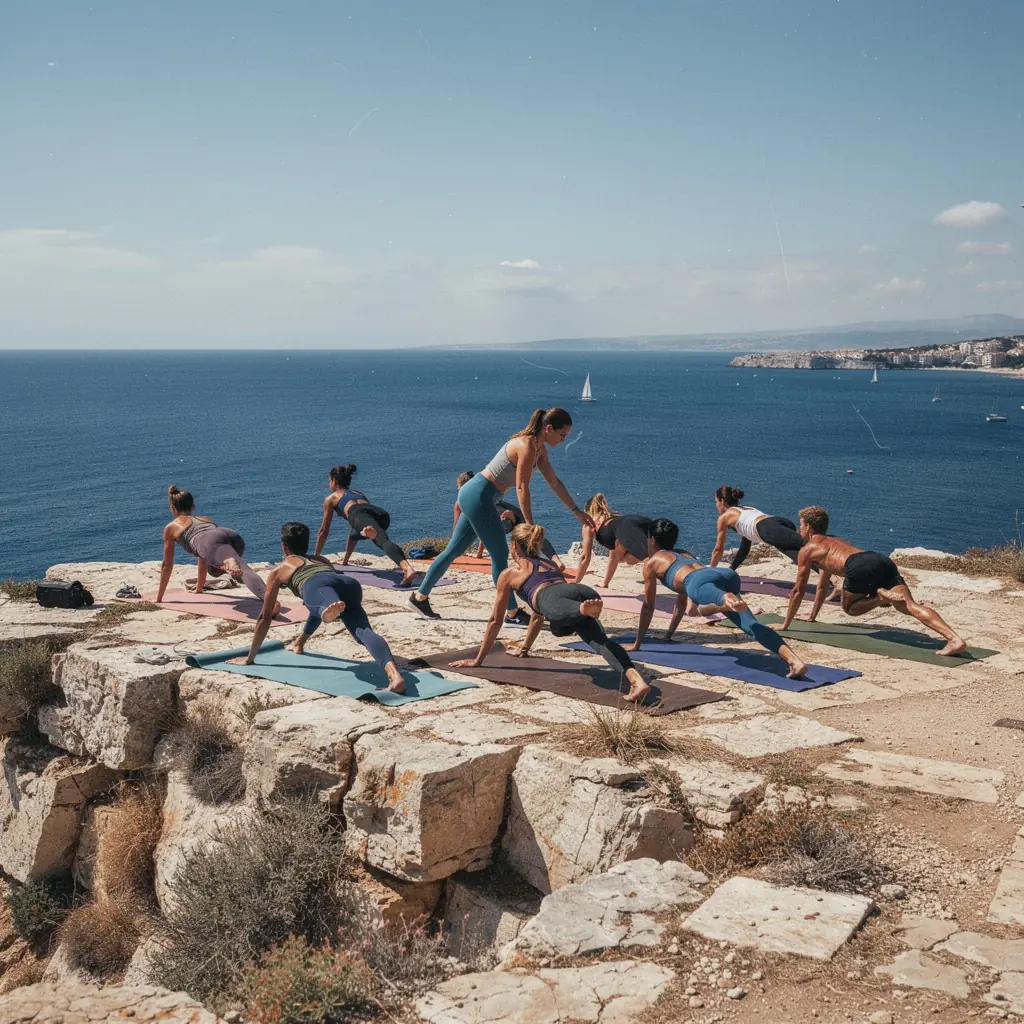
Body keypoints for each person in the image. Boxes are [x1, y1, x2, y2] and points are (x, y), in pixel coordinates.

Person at [409, 408, 594, 622]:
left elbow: (554, 482)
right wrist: (530, 525)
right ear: (549, 428)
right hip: (479, 495)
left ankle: (419, 598)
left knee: (454, 550)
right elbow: (522, 487)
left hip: (481, 496)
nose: (563, 440)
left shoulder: (539, 449)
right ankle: (512, 613)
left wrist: (577, 512)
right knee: (499, 555)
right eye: (562, 435)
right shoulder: (525, 445)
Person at [449, 523, 651, 703]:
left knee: (554, 611)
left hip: (557, 601)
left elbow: (495, 620)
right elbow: (538, 615)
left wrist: (478, 660)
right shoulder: (551, 564)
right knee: (599, 641)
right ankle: (637, 681)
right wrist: (524, 648)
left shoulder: (510, 573)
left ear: (514, 546)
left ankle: (581, 609)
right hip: (579, 592)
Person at [633, 518, 808, 679]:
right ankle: (794, 661)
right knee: (750, 625)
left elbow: (648, 606)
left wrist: (637, 643)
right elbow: (681, 601)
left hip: (701, 583)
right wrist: (668, 635)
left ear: (652, 540)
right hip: (725, 575)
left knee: (710, 596)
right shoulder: (683, 553)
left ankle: (726, 599)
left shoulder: (652, 562)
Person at [241, 522, 406, 693]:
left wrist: (250, 658)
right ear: (306, 544)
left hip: (317, 586)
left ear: (284, 546)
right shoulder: (320, 559)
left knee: (323, 600)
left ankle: (329, 605)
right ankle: (395, 676)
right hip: (348, 584)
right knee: (363, 631)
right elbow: (316, 607)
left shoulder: (279, 571)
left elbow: (265, 617)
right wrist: (301, 641)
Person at [780, 507, 967, 656]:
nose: (800, 529)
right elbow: (822, 585)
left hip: (857, 565)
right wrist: (812, 616)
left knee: (850, 609)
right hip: (879, 559)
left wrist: (785, 624)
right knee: (907, 605)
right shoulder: (837, 540)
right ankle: (954, 639)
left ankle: (880, 598)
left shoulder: (808, 551)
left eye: (801, 525)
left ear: (809, 528)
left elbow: (798, 590)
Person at [157, 486, 268, 603]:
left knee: (237, 570)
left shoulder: (171, 528)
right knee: (239, 571)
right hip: (230, 535)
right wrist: (199, 586)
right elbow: (202, 555)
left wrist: (159, 599)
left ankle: (269, 601)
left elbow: (167, 565)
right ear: (193, 506)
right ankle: (267, 596)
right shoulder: (205, 519)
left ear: (173, 508)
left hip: (211, 542)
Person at [314, 464, 419, 588]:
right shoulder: (357, 492)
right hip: (381, 515)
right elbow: (354, 530)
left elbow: (324, 531)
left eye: (329, 480)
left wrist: (316, 557)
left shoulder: (331, 499)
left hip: (358, 515)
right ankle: (366, 532)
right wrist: (345, 561)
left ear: (334, 481)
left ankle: (408, 569)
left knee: (382, 541)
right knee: (364, 534)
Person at [454, 470, 566, 571]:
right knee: (533, 535)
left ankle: (534, 564)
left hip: (505, 517)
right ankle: (556, 561)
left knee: (513, 540)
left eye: (459, 488)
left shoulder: (462, 502)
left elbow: (461, 529)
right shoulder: (486, 496)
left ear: (464, 488)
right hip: (513, 513)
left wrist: (462, 548)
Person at [709, 486, 804, 570]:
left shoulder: (724, 517)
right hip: (779, 521)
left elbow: (718, 549)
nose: (716, 505)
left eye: (716, 502)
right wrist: (732, 568)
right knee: (801, 554)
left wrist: (710, 570)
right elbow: (744, 549)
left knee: (805, 553)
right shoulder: (746, 510)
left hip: (768, 529)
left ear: (722, 501)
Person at [573, 494, 653, 587]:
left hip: (628, 527)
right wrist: (605, 583)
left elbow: (585, 557)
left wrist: (575, 583)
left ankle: (650, 595)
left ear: (587, 512)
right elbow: (613, 556)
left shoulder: (591, 524)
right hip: (643, 522)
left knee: (635, 559)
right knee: (655, 554)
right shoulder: (614, 517)